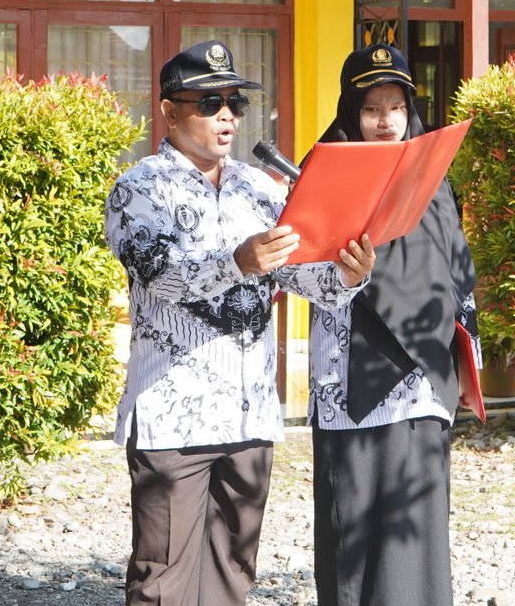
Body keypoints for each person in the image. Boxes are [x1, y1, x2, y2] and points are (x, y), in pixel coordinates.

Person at [104, 39, 376, 606]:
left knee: (233, 573)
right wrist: (237, 263)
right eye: (210, 103)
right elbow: (162, 278)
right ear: (169, 111)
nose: (226, 115)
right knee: (163, 580)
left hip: (250, 411)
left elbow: (301, 278)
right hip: (173, 416)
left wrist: (349, 275)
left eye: (235, 102)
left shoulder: (260, 187)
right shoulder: (138, 188)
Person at [307, 43, 479, 606]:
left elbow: (457, 272)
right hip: (350, 377)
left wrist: (462, 364)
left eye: (397, 107)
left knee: (417, 527)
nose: (386, 121)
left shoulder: (432, 174)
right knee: (354, 519)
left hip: (421, 379)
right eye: (372, 108)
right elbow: (299, 267)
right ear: (350, 110)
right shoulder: (323, 170)